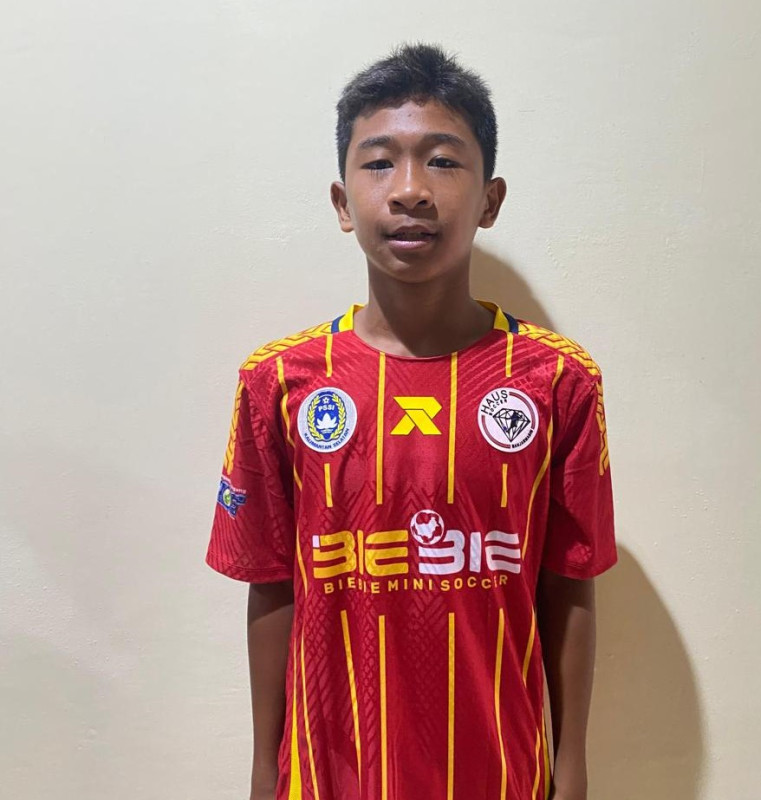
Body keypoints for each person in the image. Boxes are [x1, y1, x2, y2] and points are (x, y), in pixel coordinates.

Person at [206, 42, 617, 800]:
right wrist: (265, 771)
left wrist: (572, 768)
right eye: (379, 163)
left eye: (443, 161)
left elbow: (569, 585)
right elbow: (270, 584)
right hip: (328, 778)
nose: (410, 190)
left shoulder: (557, 381)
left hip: (500, 775)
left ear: (490, 200)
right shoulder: (280, 382)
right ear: (342, 202)